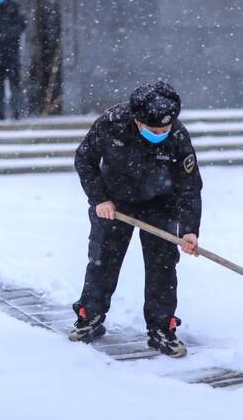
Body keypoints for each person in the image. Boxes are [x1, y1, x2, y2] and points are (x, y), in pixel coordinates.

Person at [71, 81, 202, 358]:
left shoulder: (177, 136)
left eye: (165, 129)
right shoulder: (111, 124)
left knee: (162, 268)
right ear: (137, 121)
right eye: (154, 131)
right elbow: (84, 159)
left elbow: (190, 186)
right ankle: (89, 318)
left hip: (160, 205)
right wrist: (99, 199)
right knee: (102, 261)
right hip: (114, 203)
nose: (161, 134)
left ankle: (161, 330)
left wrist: (189, 230)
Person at [0, 0, 27, 120]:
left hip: (10, 53)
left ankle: (16, 112)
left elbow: (21, 26)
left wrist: (4, 35)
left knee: (14, 83)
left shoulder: (13, 8)